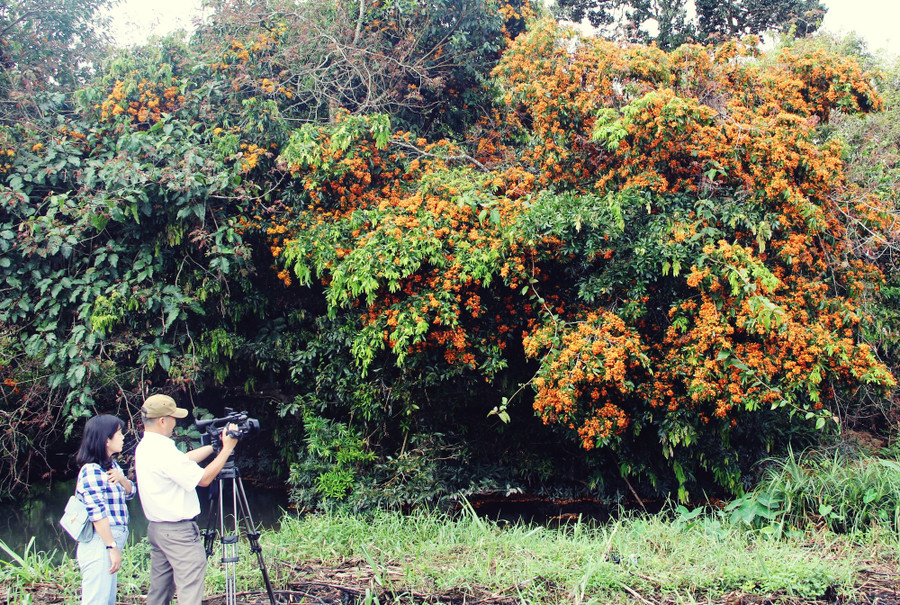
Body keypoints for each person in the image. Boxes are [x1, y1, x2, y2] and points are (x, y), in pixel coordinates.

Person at [135, 394, 238, 605]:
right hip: (177, 534)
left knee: (159, 592)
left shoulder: (146, 446)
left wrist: (214, 447)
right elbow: (204, 479)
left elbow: (181, 462)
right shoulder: (163, 450)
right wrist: (227, 449)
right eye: (173, 418)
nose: (175, 422)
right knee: (189, 591)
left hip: (158, 530)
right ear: (163, 420)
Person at [74, 414, 136, 605]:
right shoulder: (91, 470)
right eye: (119, 433)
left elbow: (131, 492)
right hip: (99, 543)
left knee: (106, 600)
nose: (123, 437)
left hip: (107, 542)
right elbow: (97, 513)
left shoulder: (111, 466)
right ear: (106, 440)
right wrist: (111, 546)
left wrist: (122, 479)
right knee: (96, 601)